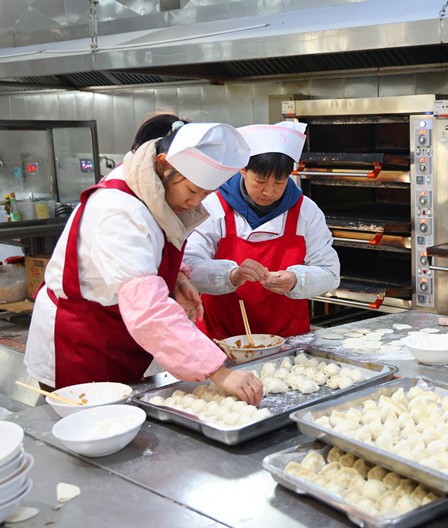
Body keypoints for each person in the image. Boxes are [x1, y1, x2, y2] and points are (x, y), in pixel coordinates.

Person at [25, 122, 264, 405]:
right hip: (80, 340)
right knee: (86, 431)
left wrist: (178, 279)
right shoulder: (119, 211)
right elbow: (147, 307)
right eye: (192, 189)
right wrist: (218, 372)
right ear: (163, 163)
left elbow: (148, 249)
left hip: (117, 331)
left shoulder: (151, 188)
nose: (195, 201)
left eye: (206, 195)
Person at [183, 121, 340, 339]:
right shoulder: (214, 207)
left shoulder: (306, 211)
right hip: (221, 338)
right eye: (260, 181)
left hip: (288, 338)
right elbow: (189, 267)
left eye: (279, 182)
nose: (269, 191)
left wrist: (296, 279)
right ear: (243, 170)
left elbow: (330, 273)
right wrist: (231, 275)